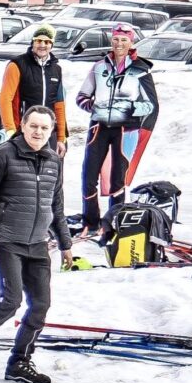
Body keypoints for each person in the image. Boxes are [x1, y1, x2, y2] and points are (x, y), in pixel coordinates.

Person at [0, 103, 74, 383]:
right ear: (23, 126)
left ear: (51, 131)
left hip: (37, 244)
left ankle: (19, 362)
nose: (38, 132)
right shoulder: (3, 155)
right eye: (33, 126)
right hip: (6, 240)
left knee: (41, 305)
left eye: (44, 128)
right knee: (11, 300)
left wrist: (66, 243)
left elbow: (56, 207)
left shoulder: (53, 161)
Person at [74, 23, 158, 237]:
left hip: (125, 130)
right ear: (111, 41)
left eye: (124, 39)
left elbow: (151, 105)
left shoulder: (140, 70)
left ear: (131, 42)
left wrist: (129, 109)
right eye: (116, 39)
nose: (119, 43)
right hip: (99, 128)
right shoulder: (99, 66)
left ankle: (113, 223)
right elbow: (82, 96)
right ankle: (91, 222)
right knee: (88, 175)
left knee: (117, 178)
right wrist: (93, 107)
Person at [0, 23, 66, 142]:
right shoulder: (17, 65)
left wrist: (61, 137)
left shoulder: (56, 69)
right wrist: (10, 129)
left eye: (47, 42)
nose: (42, 45)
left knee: (49, 161)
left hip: (47, 131)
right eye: (38, 41)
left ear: (51, 45)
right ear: (33, 43)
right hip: (23, 130)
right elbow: (5, 99)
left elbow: (59, 104)